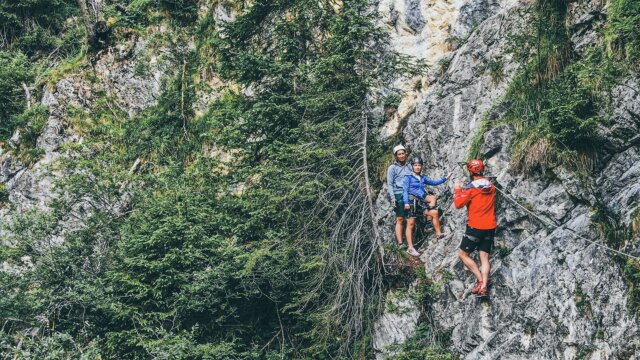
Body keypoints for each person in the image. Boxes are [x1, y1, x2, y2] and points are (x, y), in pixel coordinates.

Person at [453, 159, 496, 297]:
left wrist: (458, 189)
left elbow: (458, 204)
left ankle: (480, 280)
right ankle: (484, 287)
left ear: (470, 171)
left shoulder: (471, 189)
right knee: (484, 256)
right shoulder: (491, 186)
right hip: (490, 227)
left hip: (475, 227)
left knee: (463, 255)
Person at [403, 156, 451, 257]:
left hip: (420, 202)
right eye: (415, 165)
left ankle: (438, 233)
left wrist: (445, 178)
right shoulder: (408, 177)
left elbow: (434, 183)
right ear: (412, 167)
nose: (417, 167)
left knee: (434, 212)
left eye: (419, 165)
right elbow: (405, 190)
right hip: (411, 202)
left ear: (421, 167)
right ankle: (410, 248)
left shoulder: (422, 178)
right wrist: (406, 202)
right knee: (410, 224)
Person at [386, 145, 412, 247]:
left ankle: (411, 241)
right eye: (399, 154)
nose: (401, 156)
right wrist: (393, 198)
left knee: (410, 218)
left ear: (406, 154)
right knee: (400, 218)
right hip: (398, 194)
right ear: (396, 156)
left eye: (403, 153)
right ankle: (401, 243)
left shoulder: (410, 166)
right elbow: (390, 184)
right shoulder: (392, 168)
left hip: (409, 193)